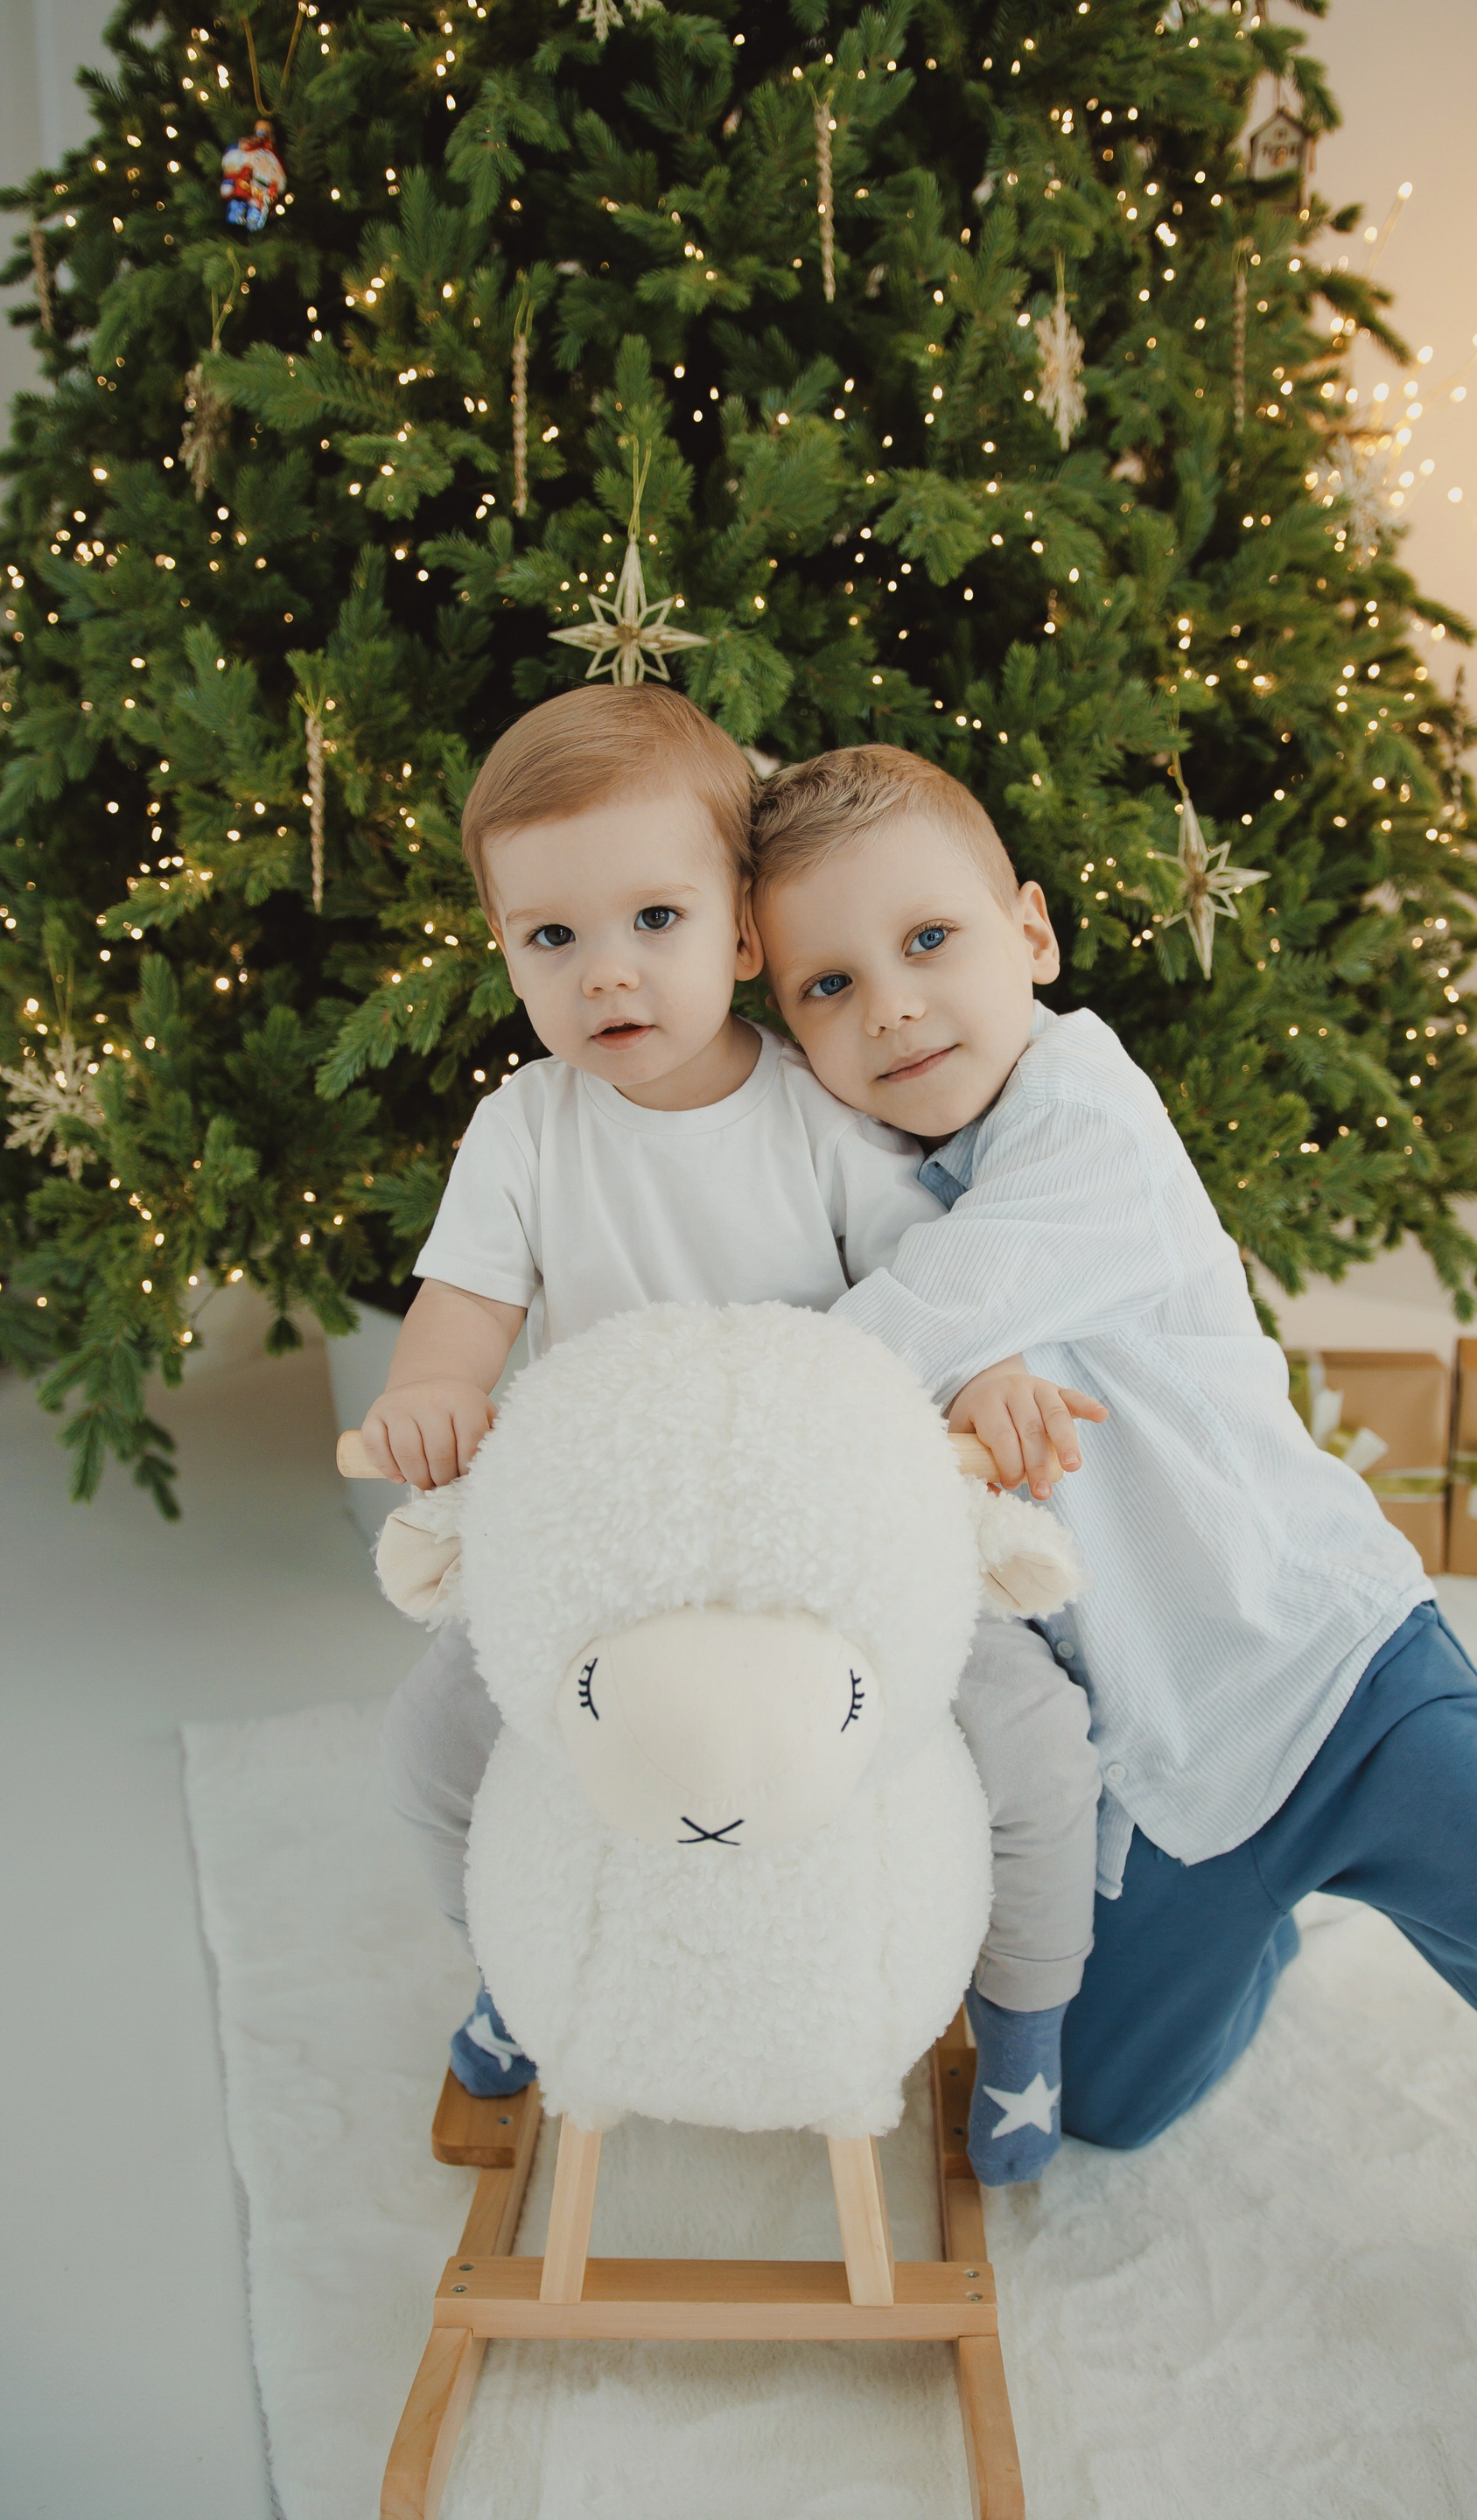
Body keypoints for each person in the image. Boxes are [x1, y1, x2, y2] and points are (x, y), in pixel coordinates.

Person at [750, 741, 1477, 2210]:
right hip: (1172, 1762)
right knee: (1109, 2100)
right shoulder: (882, 1177)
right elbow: (928, 1326)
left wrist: (739, 1415)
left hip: (1343, 1672)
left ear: (1032, 934)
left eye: (929, 940)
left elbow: (916, 1323)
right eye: (829, 984)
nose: (893, 1005)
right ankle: (1269, 1923)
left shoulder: (1084, 1114)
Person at [367, 685, 1100, 2182]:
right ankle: (514, 1966)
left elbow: (935, 1283)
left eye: (656, 919)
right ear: (504, 949)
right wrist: (434, 1388)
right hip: (610, 1552)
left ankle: (1025, 2023)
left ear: (745, 937)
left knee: (1035, 1742)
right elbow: (464, 1305)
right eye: (551, 937)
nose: (607, 973)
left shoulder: (818, 1118)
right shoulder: (528, 1128)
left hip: (825, 1546)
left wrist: (991, 1379)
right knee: (430, 1744)